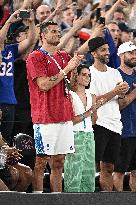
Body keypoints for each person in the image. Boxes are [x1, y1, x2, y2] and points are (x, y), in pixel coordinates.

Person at [26, 21, 83, 193]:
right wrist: (67, 69)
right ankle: (38, 198)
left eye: (59, 31)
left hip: (64, 115)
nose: (58, 34)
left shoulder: (64, 56)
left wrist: (74, 69)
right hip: (45, 117)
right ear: (43, 35)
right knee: (41, 162)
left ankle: (57, 198)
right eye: (53, 31)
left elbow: (71, 86)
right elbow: (43, 85)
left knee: (59, 162)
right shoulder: (35, 57)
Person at [88, 36, 129, 191]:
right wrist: (115, 91)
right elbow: (92, 102)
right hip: (98, 124)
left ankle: (107, 198)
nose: (107, 52)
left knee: (110, 167)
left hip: (115, 124)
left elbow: (120, 102)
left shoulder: (115, 73)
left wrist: (123, 93)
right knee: (92, 165)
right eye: (103, 50)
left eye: (107, 49)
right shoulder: (89, 73)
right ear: (93, 53)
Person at [64, 64, 97, 192]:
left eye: (89, 75)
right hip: (74, 134)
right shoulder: (70, 95)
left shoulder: (92, 95)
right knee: (74, 170)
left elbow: (94, 121)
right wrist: (88, 113)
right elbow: (69, 120)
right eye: (84, 74)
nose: (87, 77)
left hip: (89, 134)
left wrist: (94, 111)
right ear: (76, 76)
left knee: (89, 171)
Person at [113, 41, 136, 192]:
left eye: (135, 53)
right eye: (130, 53)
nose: (134, 56)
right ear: (121, 55)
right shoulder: (115, 75)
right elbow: (120, 105)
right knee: (119, 171)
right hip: (123, 130)